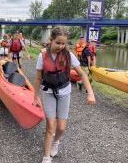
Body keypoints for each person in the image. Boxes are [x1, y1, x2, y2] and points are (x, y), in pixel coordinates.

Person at [33, 26, 96, 163]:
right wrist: (35, 96)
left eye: (63, 43)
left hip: (64, 92)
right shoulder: (42, 56)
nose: (61, 46)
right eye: (58, 43)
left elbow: (82, 74)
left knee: (61, 128)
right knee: (50, 125)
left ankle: (56, 141)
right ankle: (46, 156)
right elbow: (38, 78)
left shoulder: (69, 55)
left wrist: (90, 93)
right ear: (51, 40)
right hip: (49, 92)